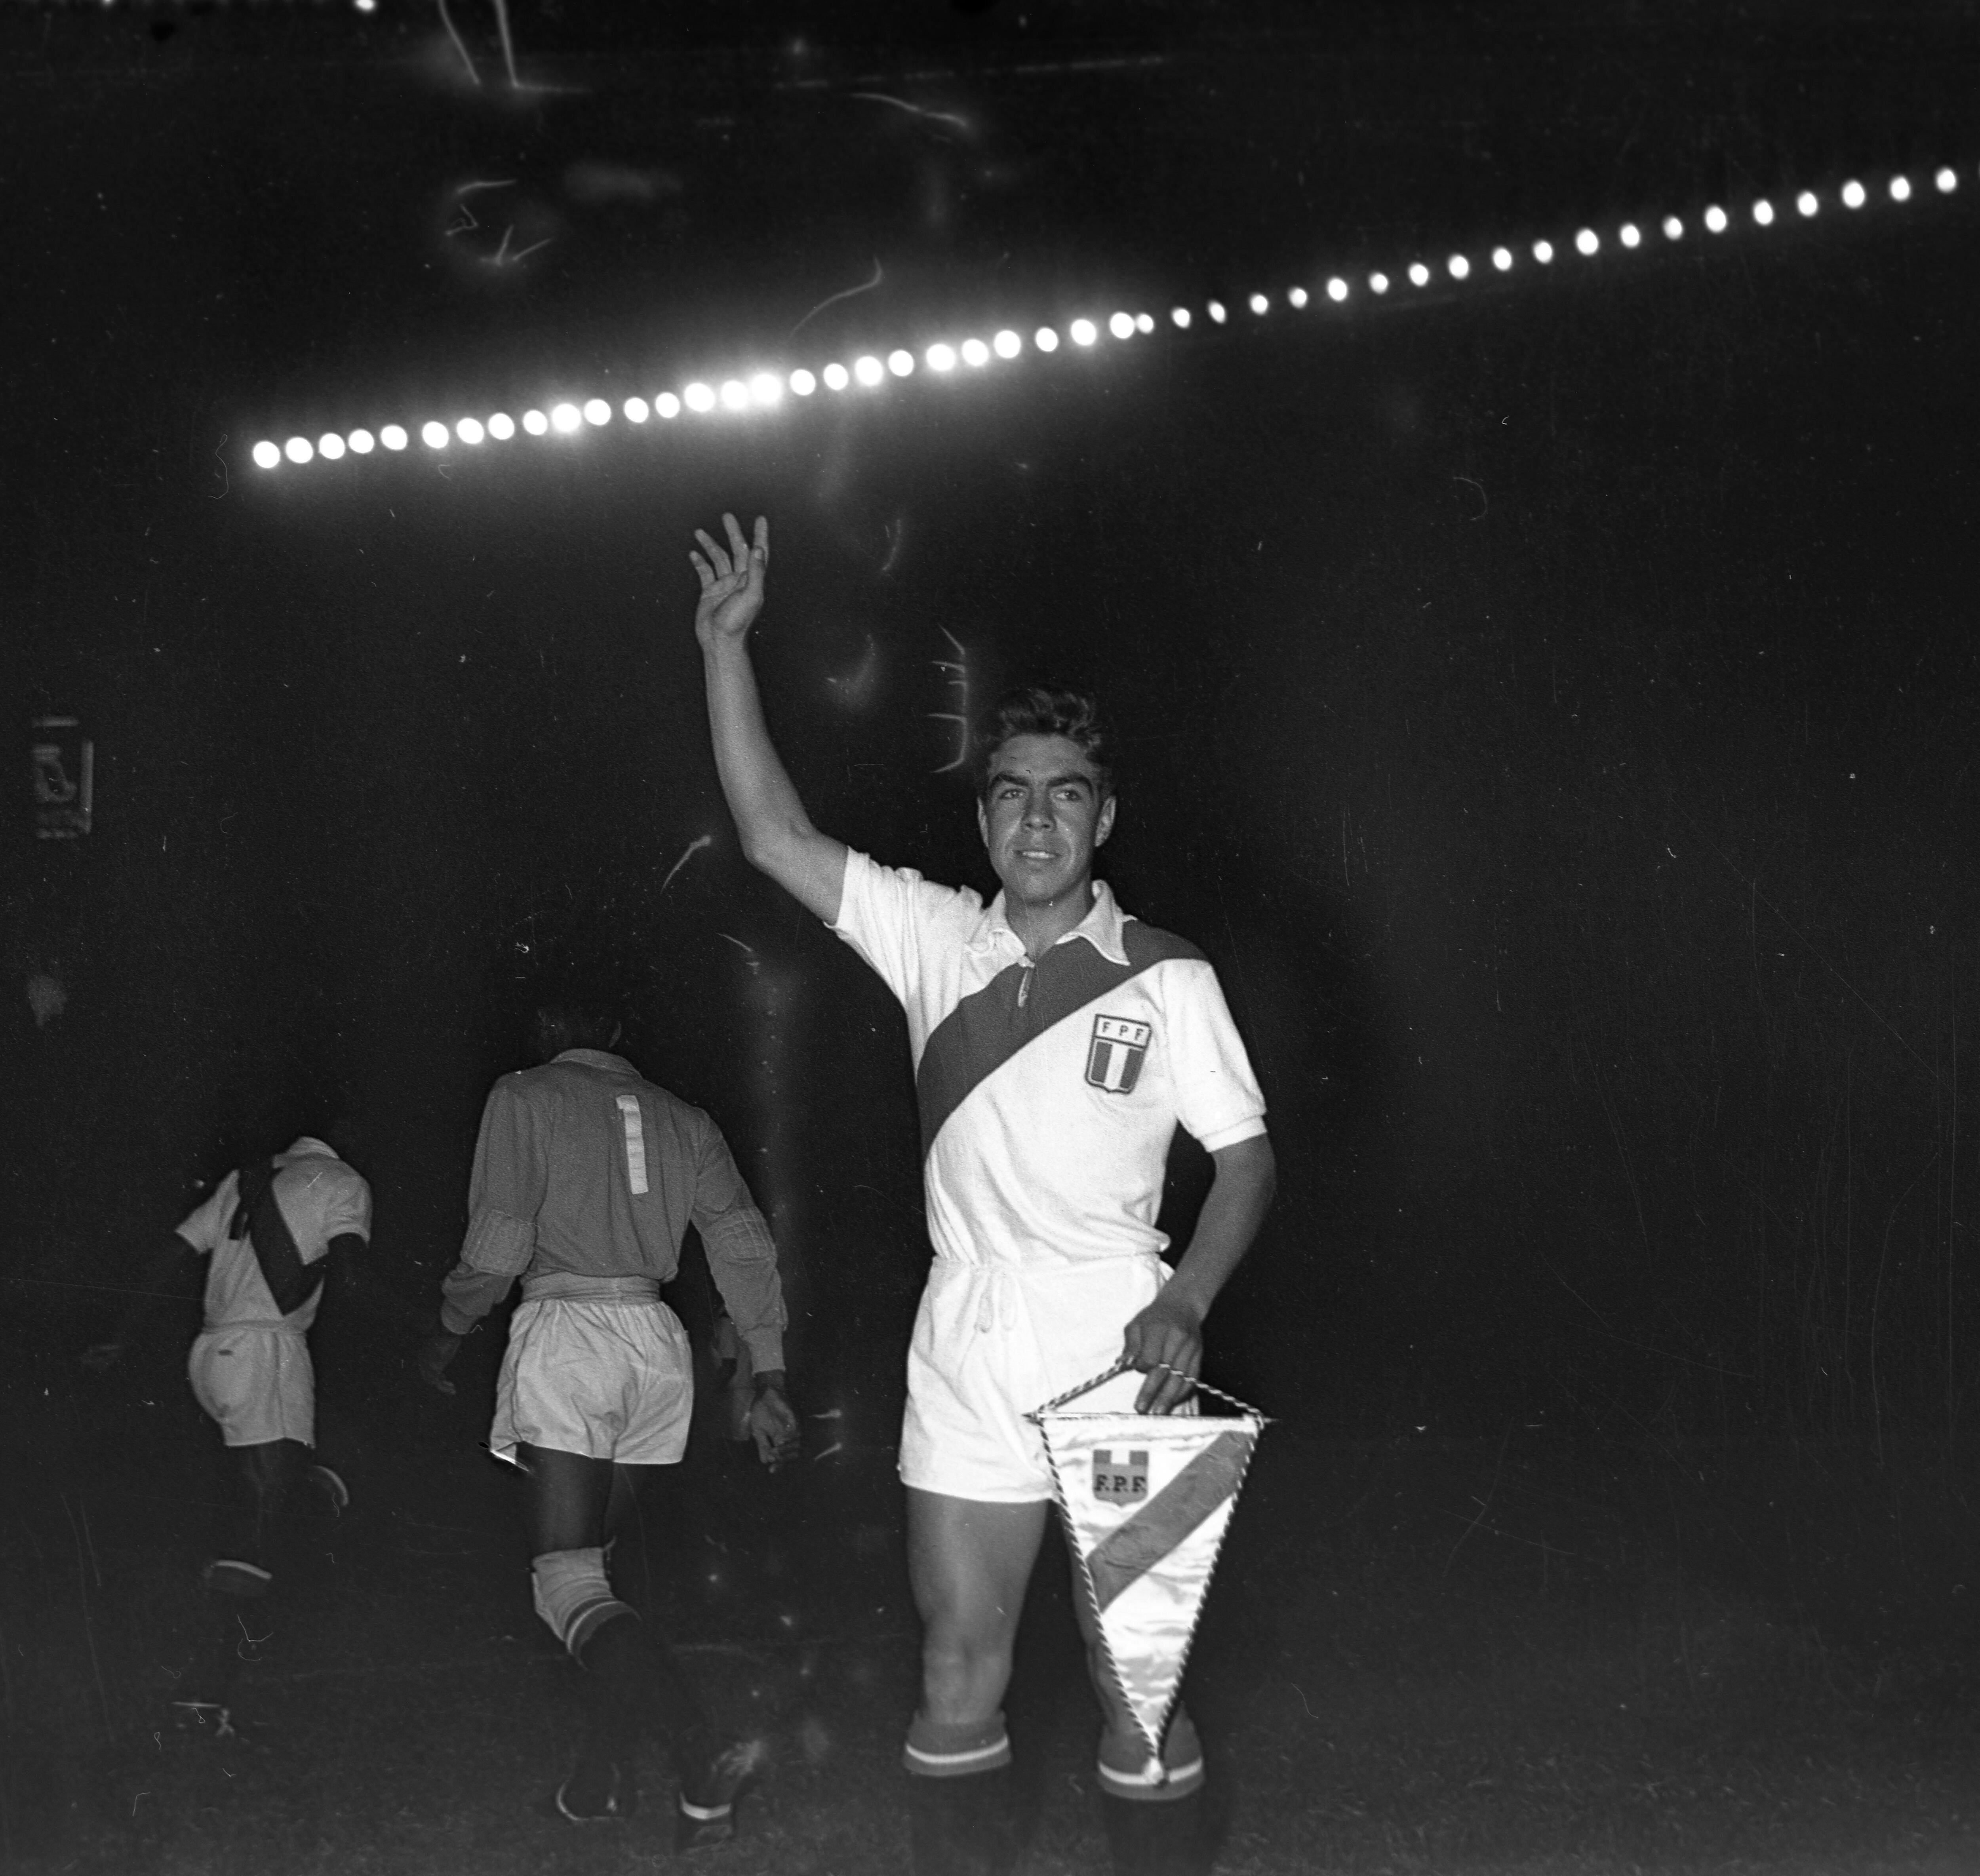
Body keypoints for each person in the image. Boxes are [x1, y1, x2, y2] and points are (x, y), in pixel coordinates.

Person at [690, 514, 1276, 1876]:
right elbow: (774, 834)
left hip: (1124, 1344)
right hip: (964, 1348)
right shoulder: (935, 934)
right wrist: (727, 648)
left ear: (1104, 814)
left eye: (1065, 790)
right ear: (983, 813)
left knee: (1139, 1681)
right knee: (958, 1667)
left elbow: (1247, 1158)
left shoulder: (1168, 975)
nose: (1035, 814)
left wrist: (1188, 1301)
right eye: (1013, 789)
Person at [417, 996, 801, 1846]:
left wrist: (444, 1334)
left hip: (569, 1337)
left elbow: (499, 1244)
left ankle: (698, 1749)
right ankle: (599, 1779)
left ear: (545, 1025)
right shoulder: (684, 1116)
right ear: (623, 1030)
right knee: (604, 1578)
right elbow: (742, 1241)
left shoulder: (524, 1093)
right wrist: (767, 1370)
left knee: (567, 1584)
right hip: (655, 1348)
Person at [83, 1132, 373, 1734]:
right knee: (259, 1528)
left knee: (293, 1483)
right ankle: (202, 1693)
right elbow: (351, 1275)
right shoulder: (343, 1181)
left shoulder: (248, 1177)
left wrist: (120, 1332)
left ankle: (297, 1507)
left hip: (211, 1352)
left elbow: (173, 1251)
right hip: (267, 1352)